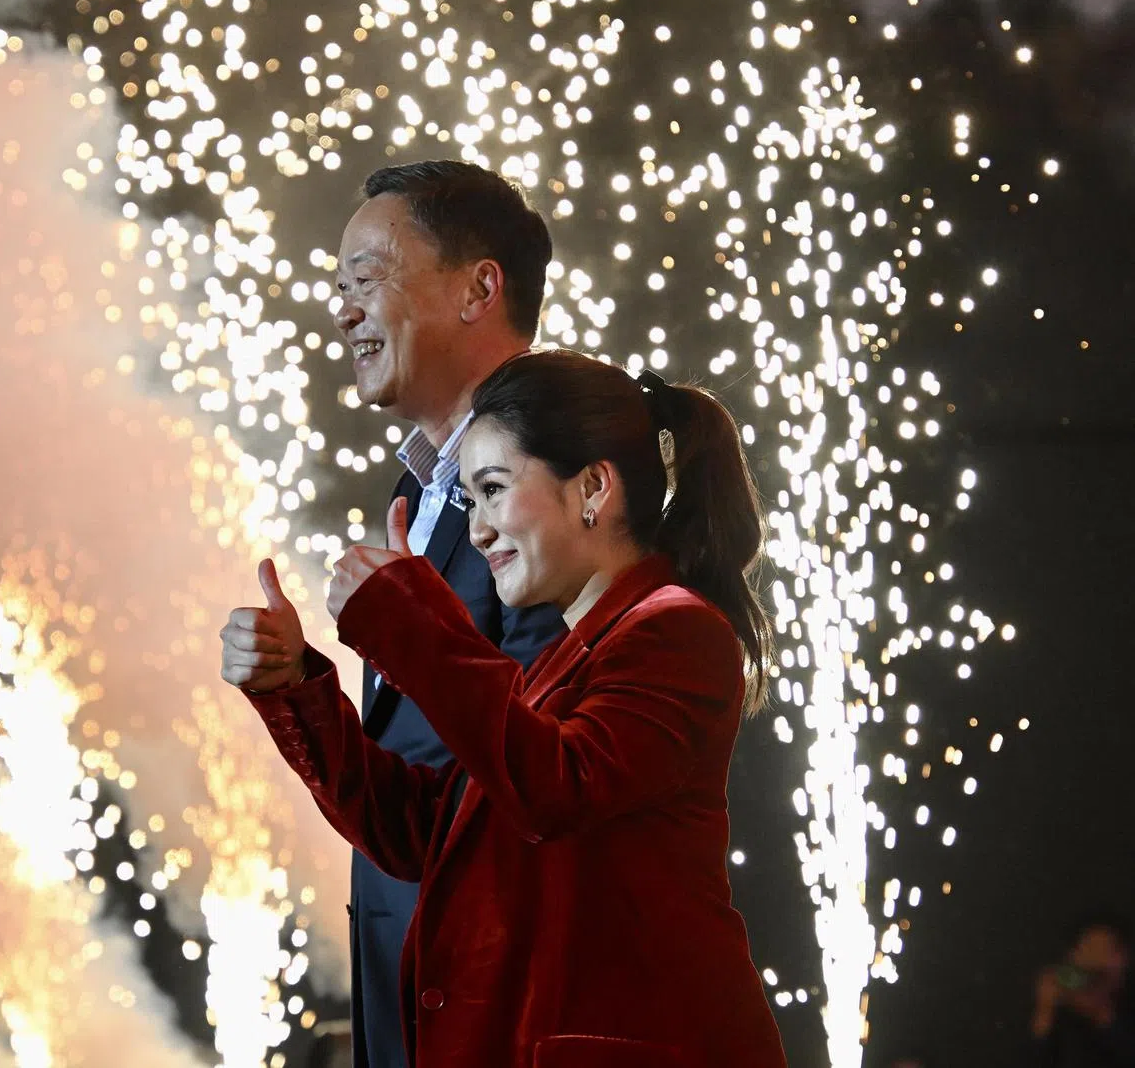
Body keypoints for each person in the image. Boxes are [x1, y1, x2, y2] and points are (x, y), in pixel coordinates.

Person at [226, 349, 787, 1067]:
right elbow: (425, 834)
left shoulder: (676, 628)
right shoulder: (564, 656)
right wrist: (295, 686)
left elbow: (559, 787)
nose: (480, 530)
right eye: (472, 499)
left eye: (493, 489)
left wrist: (416, 625)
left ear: (593, 487)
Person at [219, 161, 564, 1068]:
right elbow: (419, 787)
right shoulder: (421, 494)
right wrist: (297, 682)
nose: (341, 312)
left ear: (478, 288)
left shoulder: (556, 478)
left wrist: (397, 616)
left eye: (365, 279)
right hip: (419, 990)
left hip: (504, 1008)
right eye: (338, 288)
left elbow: (533, 769)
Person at [1029, 912, 1135, 1067]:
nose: (1099, 960)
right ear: (1072, 956)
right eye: (1091, 949)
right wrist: (1044, 1013)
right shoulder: (1061, 1008)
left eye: (1109, 950)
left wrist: (1102, 1016)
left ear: (1126, 958)